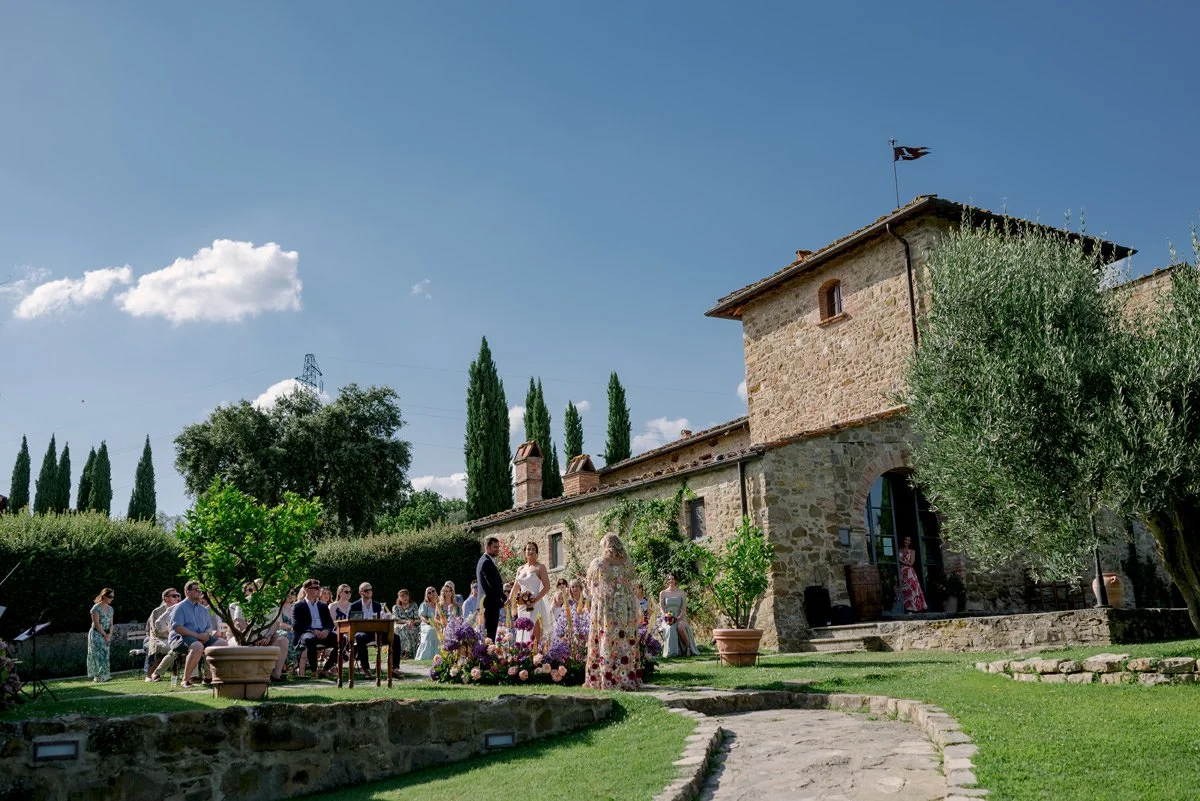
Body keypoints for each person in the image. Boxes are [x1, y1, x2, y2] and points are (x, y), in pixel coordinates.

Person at [584, 534, 642, 690]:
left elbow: (590, 587)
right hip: (625, 608)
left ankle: (605, 678)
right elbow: (632, 586)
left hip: (606, 608)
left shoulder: (598, 563)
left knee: (607, 638)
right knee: (624, 641)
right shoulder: (628, 563)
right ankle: (625, 679)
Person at [169, 582, 228, 688]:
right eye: (196, 590)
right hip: (180, 638)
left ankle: (210, 677)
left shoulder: (203, 609)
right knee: (197, 646)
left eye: (200, 590)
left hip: (200, 637)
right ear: (187, 592)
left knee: (223, 644)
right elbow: (178, 628)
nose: (199, 592)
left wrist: (206, 634)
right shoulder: (179, 607)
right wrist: (198, 636)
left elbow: (209, 627)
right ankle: (186, 680)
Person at [229, 581, 289, 682]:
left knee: (283, 641)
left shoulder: (273, 605)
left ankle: (276, 675)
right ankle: (242, 675)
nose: (262, 587)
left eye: (264, 584)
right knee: (235, 644)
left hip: (266, 637)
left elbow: (276, 623)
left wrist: (268, 636)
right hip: (247, 638)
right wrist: (254, 637)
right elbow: (239, 623)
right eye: (259, 584)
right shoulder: (243, 603)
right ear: (253, 588)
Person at [293, 578, 338, 677]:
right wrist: (313, 630)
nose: (319, 590)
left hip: (323, 632)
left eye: (319, 588)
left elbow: (330, 623)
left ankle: (326, 669)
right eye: (316, 588)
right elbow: (298, 625)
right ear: (306, 590)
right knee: (310, 639)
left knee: (341, 639)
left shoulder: (323, 606)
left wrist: (327, 630)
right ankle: (314, 670)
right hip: (307, 632)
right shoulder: (298, 606)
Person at [512, 541, 553, 643]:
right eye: (528, 549)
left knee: (533, 632)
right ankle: (523, 653)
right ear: (524, 552)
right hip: (521, 604)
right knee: (522, 630)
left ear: (537, 553)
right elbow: (515, 586)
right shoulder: (520, 569)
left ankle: (535, 653)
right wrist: (509, 600)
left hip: (534, 602)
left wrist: (535, 600)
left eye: (533, 549)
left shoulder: (540, 567)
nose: (531, 551)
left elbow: (547, 587)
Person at [348, 582, 389, 677]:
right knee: (359, 637)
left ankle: (394, 668)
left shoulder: (378, 605)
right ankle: (366, 668)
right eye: (366, 590)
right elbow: (352, 622)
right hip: (363, 632)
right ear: (361, 593)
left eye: (370, 590)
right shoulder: (355, 606)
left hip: (376, 632)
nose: (369, 592)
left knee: (395, 637)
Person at [659, 574, 700, 657]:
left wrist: (678, 618)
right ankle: (673, 652)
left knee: (680, 627)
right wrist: (666, 617)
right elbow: (661, 608)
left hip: (679, 617)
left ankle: (688, 648)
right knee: (670, 628)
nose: (671, 581)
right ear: (667, 581)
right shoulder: (663, 593)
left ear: (676, 580)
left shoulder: (682, 593)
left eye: (673, 579)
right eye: (669, 579)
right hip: (668, 617)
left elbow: (684, 608)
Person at [145, 587, 180, 682]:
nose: (177, 598)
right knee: (171, 648)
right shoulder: (157, 611)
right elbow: (156, 631)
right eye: (174, 596)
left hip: (175, 637)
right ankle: (155, 674)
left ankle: (180, 676)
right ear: (166, 598)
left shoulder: (179, 609)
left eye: (178, 596)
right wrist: (171, 636)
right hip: (159, 638)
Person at [476, 536, 507, 641]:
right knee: (490, 634)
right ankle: (488, 655)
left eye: (498, 547)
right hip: (489, 604)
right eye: (495, 547)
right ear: (487, 547)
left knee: (489, 634)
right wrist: (504, 598)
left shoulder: (485, 560)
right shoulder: (486, 562)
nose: (497, 549)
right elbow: (492, 585)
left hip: (488, 604)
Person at [88, 588, 115, 683]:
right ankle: (98, 676)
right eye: (110, 596)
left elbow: (111, 624)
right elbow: (96, 624)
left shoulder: (111, 609)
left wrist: (109, 634)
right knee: (98, 654)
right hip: (96, 633)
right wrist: (104, 634)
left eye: (113, 597)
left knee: (106, 653)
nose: (112, 599)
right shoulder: (96, 608)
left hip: (107, 633)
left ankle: (105, 674)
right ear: (104, 596)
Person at [899, 536, 928, 612]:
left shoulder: (912, 551)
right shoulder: (899, 550)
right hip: (901, 572)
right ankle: (906, 608)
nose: (906, 541)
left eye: (908, 540)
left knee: (912, 589)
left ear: (910, 542)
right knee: (904, 590)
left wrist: (901, 561)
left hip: (909, 572)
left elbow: (911, 563)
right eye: (905, 539)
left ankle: (915, 608)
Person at [391, 589, 420, 662]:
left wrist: (412, 622)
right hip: (400, 624)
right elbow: (395, 619)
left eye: (406, 596)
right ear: (399, 598)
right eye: (402, 596)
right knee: (402, 628)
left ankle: (407, 652)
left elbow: (418, 619)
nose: (405, 598)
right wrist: (406, 622)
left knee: (409, 628)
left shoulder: (414, 605)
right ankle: (404, 652)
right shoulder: (396, 607)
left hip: (412, 624)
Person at [414, 587, 442, 660]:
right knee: (431, 631)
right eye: (429, 593)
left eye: (433, 591)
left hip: (439, 623)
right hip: (427, 624)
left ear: (436, 591)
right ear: (427, 595)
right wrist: (429, 622)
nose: (432, 593)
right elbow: (422, 616)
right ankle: (426, 656)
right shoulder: (425, 604)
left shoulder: (441, 602)